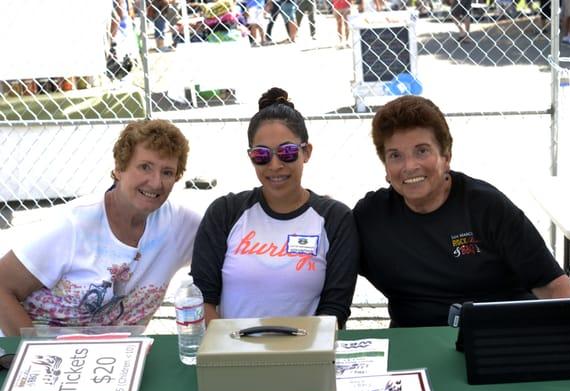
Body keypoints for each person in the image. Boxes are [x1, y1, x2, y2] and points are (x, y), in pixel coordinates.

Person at [353, 95, 570, 363]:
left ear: (446, 157)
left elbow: (552, 284)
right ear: (386, 169)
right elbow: (322, 267)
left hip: (503, 346)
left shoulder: (486, 206)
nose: (409, 166)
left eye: (422, 150)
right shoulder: (371, 216)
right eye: (395, 155)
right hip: (414, 350)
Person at [0, 120, 202, 336]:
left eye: (167, 172)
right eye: (145, 167)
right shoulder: (74, 225)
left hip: (110, 361)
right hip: (37, 357)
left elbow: (230, 254)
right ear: (119, 168)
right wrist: (34, 354)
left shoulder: (181, 225)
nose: (155, 182)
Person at [191, 87, 359, 328]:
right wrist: (230, 352)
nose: (275, 165)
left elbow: (335, 309)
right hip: (231, 353)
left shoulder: (335, 218)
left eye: (287, 152)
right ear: (251, 157)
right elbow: (203, 298)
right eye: (262, 155)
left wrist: (298, 355)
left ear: (306, 152)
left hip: (306, 353)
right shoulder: (225, 212)